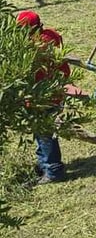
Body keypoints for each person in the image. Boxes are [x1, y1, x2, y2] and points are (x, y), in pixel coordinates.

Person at [16, 11, 71, 185]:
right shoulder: (52, 35)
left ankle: (53, 170)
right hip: (54, 91)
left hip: (44, 95)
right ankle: (43, 163)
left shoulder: (36, 46)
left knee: (44, 132)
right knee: (41, 132)